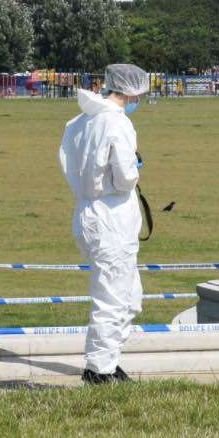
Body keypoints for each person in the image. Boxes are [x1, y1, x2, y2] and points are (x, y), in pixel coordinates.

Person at [58, 63, 149, 385]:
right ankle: (98, 370)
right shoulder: (117, 122)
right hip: (111, 217)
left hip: (87, 212)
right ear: (134, 90)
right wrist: (135, 168)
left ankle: (108, 359)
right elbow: (124, 178)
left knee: (128, 294)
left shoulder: (78, 122)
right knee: (111, 296)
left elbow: (70, 165)